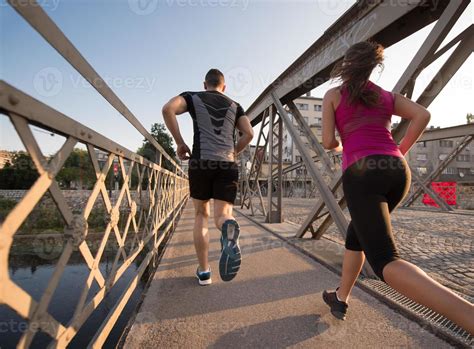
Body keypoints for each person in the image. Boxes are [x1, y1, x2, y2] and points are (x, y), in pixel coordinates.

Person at [321, 41, 474, 334]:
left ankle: (469, 316)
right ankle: (340, 297)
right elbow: (423, 115)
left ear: (347, 65)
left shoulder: (332, 95)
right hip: (396, 172)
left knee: (385, 260)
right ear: (372, 67)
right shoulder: (386, 96)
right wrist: (400, 150)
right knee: (358, 236)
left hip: (362, 172)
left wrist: (343, 144)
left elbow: (328, 142)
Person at [162, 69, 254, 286]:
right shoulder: (235, 105)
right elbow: (249, 134)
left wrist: (180, 142)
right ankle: (228, 227)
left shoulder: (192, 97)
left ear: (205, 84)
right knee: (222, 216)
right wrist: (233, 152)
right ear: (224, 86)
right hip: (227, 164)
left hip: (201, 162)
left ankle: (204, 272)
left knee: (201, 214)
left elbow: (168, 109)